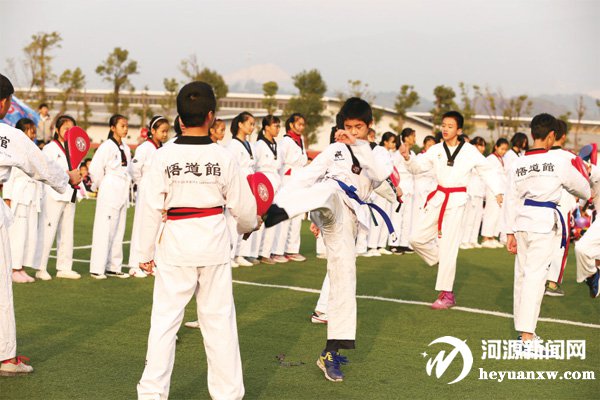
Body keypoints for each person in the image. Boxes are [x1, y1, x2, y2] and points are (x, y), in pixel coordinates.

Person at [136, 81, 258, 400]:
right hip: (213, 242)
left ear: (179, 118)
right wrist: (249, 225)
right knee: (219, 322)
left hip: (176, 243)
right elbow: (244, 208)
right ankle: (228, 394)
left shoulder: (163, 156)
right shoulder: (223, 157)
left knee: (165, 321)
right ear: (211, 116)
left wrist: (144, 252)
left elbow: (149, 208)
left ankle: (152, 393)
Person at [263, 97, 393, 382]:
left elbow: (380, 174)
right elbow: (306, 176)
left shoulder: (379, 153)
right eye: (348, 127)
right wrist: (277, 200)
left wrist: (358, 145)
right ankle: (277, 211)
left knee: (344, 276)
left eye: (359, 127)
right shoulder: (334, 150)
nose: (352, 132)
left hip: (351, 217)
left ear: (370, 126)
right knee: (328, 190)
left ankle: (330, 352)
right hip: (330, 202)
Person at [0, 73, 80, 376]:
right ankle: (5, 356)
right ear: (4, 103)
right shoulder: (9, 136)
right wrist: (68, 179)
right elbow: (42, 167)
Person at [400, 111, 504, 309]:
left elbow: (487, 170)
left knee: (448, 245)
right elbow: (417, 167)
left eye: (450, 126)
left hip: (456, 200)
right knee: (415, 238)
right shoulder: (436, 149)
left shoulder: (470, 151)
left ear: (459, 130)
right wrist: (407, 158)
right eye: (443, 125)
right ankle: (441, 260)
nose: (445, 129)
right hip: (438, 197)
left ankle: (447, 294)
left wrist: (498, 191)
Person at [503, 113, 590, 350]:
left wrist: (509, 232)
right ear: (552, 136)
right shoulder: (558, 162)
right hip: (543, 222)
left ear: (532, 134)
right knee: (535, 277)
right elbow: (583, 189)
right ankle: (527, 336)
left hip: (522, 221)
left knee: (522, 276)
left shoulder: (518, 163)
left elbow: (510, 199)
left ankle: (522, 331)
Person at [34, 115, 82, 280]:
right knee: (47, 231)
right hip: (53, 193)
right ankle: (40, 267)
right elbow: (45, 170)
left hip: (70, 193)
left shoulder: (74, 149)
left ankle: (64, 267)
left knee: (67, 232)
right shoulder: (50, 148)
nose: (69, 132)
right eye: (66, 129)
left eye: (72, 129)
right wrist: (66, 175)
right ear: (57, 130)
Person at [89, 114, 132, 279]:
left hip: (122, 188)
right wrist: (100, 185)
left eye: (126, 126)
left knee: (119, 228)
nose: (125, 129)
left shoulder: (126, 148)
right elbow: (95, 168)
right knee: (104, 228)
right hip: (109, 186)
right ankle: (97, 268)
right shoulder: (106, 146)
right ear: (113, 128)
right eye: (122, 126)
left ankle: (114, 266)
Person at [128, 115, 170, 277]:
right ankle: (134, 264)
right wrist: (142, 184)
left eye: (167, 131)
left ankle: (148, 262)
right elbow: (134, 169)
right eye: (162, 131)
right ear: (153, 130)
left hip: (158, 191)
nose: (165, 134)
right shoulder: (145, 147)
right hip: (146, 188)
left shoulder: (163, 149)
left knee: (154, 227)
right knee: (141, 226)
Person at [3, 118, 42, 283]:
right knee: (17, 234)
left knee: (29, 235)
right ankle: (13, 268)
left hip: (32, 197)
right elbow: (8, 176)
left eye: (34, 131)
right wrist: (7, 198)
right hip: (18, 197)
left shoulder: (34, 151)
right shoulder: (13, 150)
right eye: (29, 130)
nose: (32, 134)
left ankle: (22, 268)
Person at [544, 120, 577, 296]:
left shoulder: (540, 155)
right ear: (563, 136)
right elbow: (581, 183)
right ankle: (552, 283)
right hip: (563, 205)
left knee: (542, 242)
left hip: (542, 205)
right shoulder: (571, 157)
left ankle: (538, 281)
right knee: (560, 244)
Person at [272, 113, 309, 263]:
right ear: (291, 125)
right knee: (284, 217)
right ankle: (277, 251)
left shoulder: (301, 140)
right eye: (298, 124)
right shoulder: (286, 141)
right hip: (287, 181)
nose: (301, 127)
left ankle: (292, 250)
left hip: (299, 181)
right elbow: (279, 163)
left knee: (297, 217)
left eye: (303, 124)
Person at [226, 112, 257, 267]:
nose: (252, 127)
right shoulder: (233, 145)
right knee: (233, 221)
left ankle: (240, 253)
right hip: (238, 185)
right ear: (240, 124)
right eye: (250, 124)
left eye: (253, 124)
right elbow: (232, 169)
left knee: (246, 219)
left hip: (249, 185)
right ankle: (229, 255)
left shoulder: (250, 144)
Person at [255, 115, 283, 264]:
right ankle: (254, 252)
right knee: (260, 218)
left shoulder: (277, 145)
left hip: (276, 182)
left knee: (273, 218)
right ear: (266, 127)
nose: (278, 129)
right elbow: (255, 167)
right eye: (275, 126)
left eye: (279, 126)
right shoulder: (259, 145)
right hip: (263, 183)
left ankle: (266, 252)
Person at [366, 131, 396, 256]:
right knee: (377, 217)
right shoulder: (375, 151)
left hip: (388, 188)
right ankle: (372, 246)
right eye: (392, 142)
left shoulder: (388, 153)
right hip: (379, 187)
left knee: (386, 217)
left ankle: (381, 245)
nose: (394, 144)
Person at [390, 128, 416, 254]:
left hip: (410, 189)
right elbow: (391, 169)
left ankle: (404, 243)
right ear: (405, 138)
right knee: (397, 217)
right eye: (412, 136)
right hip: (400, 188)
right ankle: (393, 243)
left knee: (407, 218)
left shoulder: (413, 153)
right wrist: (395, 186)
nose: (414, 139)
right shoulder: (398, 153)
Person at [481, 138, 510, 248]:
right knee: (491, 213)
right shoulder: (490, 159)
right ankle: (485, 237)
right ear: (496, 147)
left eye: (505, 149)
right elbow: (490, 177)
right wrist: (496, 192)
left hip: (501, 190)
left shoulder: (501, 159)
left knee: (498, 215)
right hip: (493, 190)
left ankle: (492, 237)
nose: (503, 151)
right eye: (502, 149)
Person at [460, 137, 488, 249]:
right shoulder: (467, 158)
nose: (481, 148)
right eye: (479, 145)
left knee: (476, 218)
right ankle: (463, 240)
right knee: (467, 218)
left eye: (483, 145)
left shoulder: (483, 159)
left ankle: (473, 239)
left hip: (479, 192)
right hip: (470, 192)